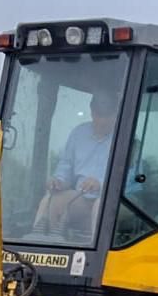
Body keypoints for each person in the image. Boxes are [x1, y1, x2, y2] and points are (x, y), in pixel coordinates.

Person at [33, 90, 117, 241]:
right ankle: (46, 247)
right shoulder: (79, 134)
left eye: (107, 115)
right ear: (92, 112)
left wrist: (101, 184)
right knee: (50, 200)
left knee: (101, 207)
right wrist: (58, 181)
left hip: (114, 201)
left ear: (115, 114)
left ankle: (97, 256)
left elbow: (129, 179)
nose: (102, 120)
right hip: (82, 198)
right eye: (99, 115)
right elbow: (66, 166)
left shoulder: (125, 138)